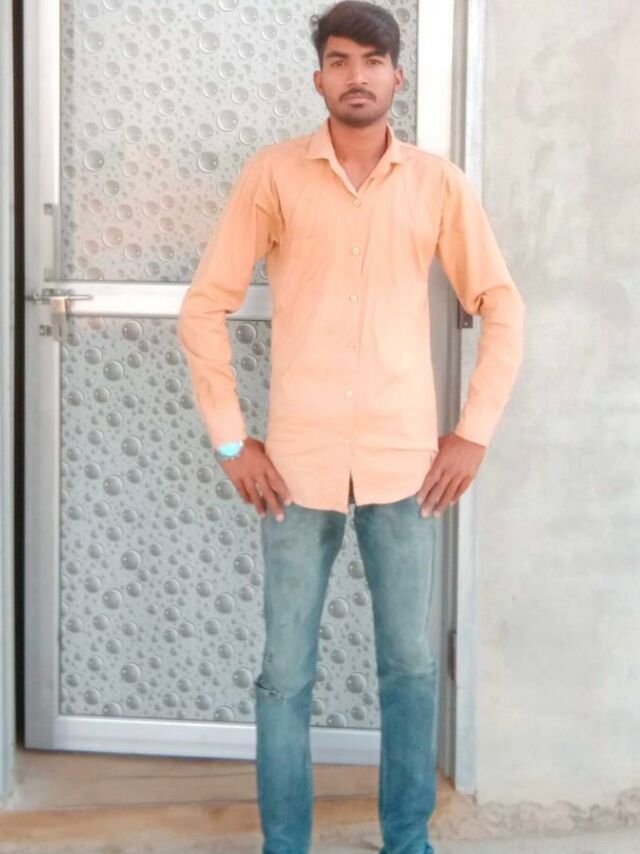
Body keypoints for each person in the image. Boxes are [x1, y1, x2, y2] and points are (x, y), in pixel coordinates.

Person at [177, 2, 525, 851]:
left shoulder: (438, 183)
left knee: (410, 668)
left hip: (407, 468)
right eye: (339, 60)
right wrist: (231, 440)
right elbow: (204, 306)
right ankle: (284, 845)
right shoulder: (273, 176)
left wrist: (472, 431)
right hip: (294, 473)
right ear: (319, 77)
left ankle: (407, 840)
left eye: (372, 61)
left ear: (398, 76)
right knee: (283, 674)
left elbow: (501, 305)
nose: (356, 76)